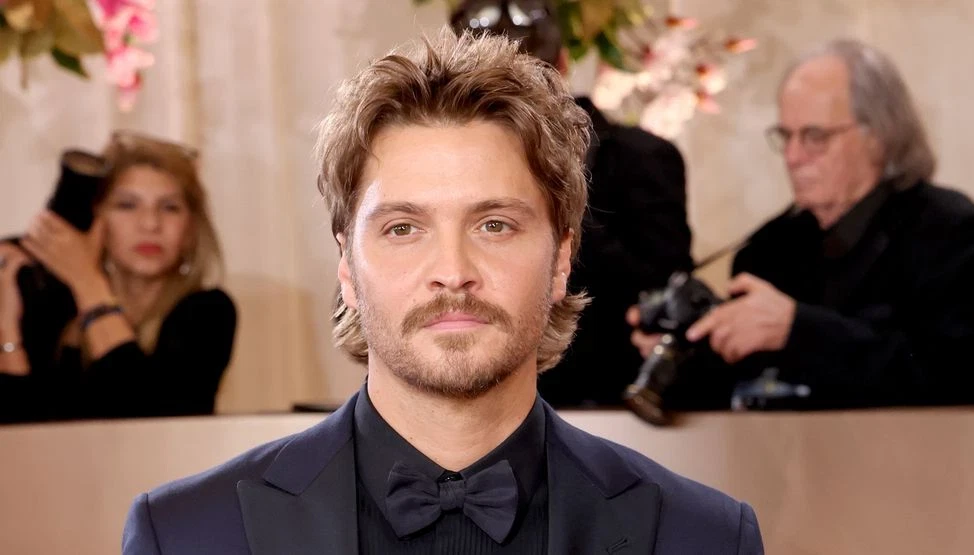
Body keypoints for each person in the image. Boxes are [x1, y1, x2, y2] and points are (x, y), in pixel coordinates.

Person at [122, 29, 763, 554]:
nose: (452, 270)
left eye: (493, 225)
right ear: (346, 262)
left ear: (562, 257)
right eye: (404, 228)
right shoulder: (184, 535)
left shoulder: (702, 537)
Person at [630, 38, 974, 410]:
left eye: (815, 137)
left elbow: (952, 376)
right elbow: (740, 391)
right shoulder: (770, 247)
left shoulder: (950, 230)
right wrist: (682, 353)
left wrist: (797, 331)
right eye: (786, 136)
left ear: (878, 138)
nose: (793, 157)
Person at [450, 0, 693, 407]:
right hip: (474, 413)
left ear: (560, 67)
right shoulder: (438, 172)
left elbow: (665, 297)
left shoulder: (641, 159)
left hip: (614, 417)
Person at [0, 132, 236, 423]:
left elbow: (152, 424)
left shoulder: (208, 312)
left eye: (169, 207)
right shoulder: (54, 305)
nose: (150, 224)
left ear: (190, 229)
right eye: (127, 205)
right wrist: (7, 323)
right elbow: (16, 429)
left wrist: (86, 280)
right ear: (96, 220)